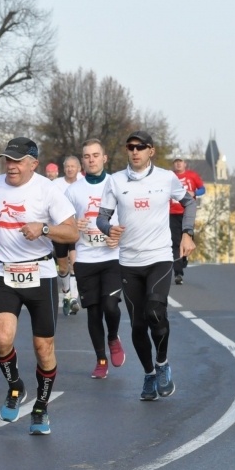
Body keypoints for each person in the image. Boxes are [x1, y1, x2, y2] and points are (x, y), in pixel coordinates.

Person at [0, 137, 77, 435]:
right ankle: (15, 386)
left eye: (18, 161)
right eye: (8, 159)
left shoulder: (48, 189)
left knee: (43, 349)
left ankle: (41, 408)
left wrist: (44, 228)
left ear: (34, 163)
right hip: (5, 271)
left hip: (40, 272)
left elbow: (72, 232)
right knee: (2, 339)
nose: (11, 166)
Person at [97, 131, 196, 401]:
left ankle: (163, 364)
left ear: (150, 150)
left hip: (160, 257)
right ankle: (150, 373)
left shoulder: (166, 178)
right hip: (128, 262)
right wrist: (109, 229)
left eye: (141, 147)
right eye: (131, 147)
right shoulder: (115, 181)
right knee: (138, 326)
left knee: (155, 311)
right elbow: (102, 217)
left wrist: (187, 233)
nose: (135, 151)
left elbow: (189, 202)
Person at [66, 139, 125, 379]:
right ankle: (101, 359)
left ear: (104, 158)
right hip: (85, 257)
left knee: (110, 306)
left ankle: (113, 337)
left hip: (112, 256)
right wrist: (73, 231)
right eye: (87, 156)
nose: (91, 159)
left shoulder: (118, 185)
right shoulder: (73, 190)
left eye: (95, 155)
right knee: (93, 312)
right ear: (83, 160)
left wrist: (119, 237)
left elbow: (131, 217)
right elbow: (65, 224)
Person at [53, 156, 84, 315]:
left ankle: (73, 297)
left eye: (73, 166)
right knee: (63, 265)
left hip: (77, 229)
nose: (70, 169)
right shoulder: (56, 184)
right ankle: (66, 292)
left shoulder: (84, 183)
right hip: (60, 229)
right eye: (67, 166)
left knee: (75, 262)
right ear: (63, 168)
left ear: (79, 168)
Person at [169, 157, 204, 285]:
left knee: (187, 240)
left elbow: (202, 189)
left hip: (187, 214)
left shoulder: (192, 176)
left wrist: (193, 192)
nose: (178, 164)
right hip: (172, 213)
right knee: (175, 243)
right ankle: (178, 273)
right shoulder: (170, 177)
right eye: (176, 162)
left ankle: (183, 259)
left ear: (185, 164)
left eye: (180, 161)